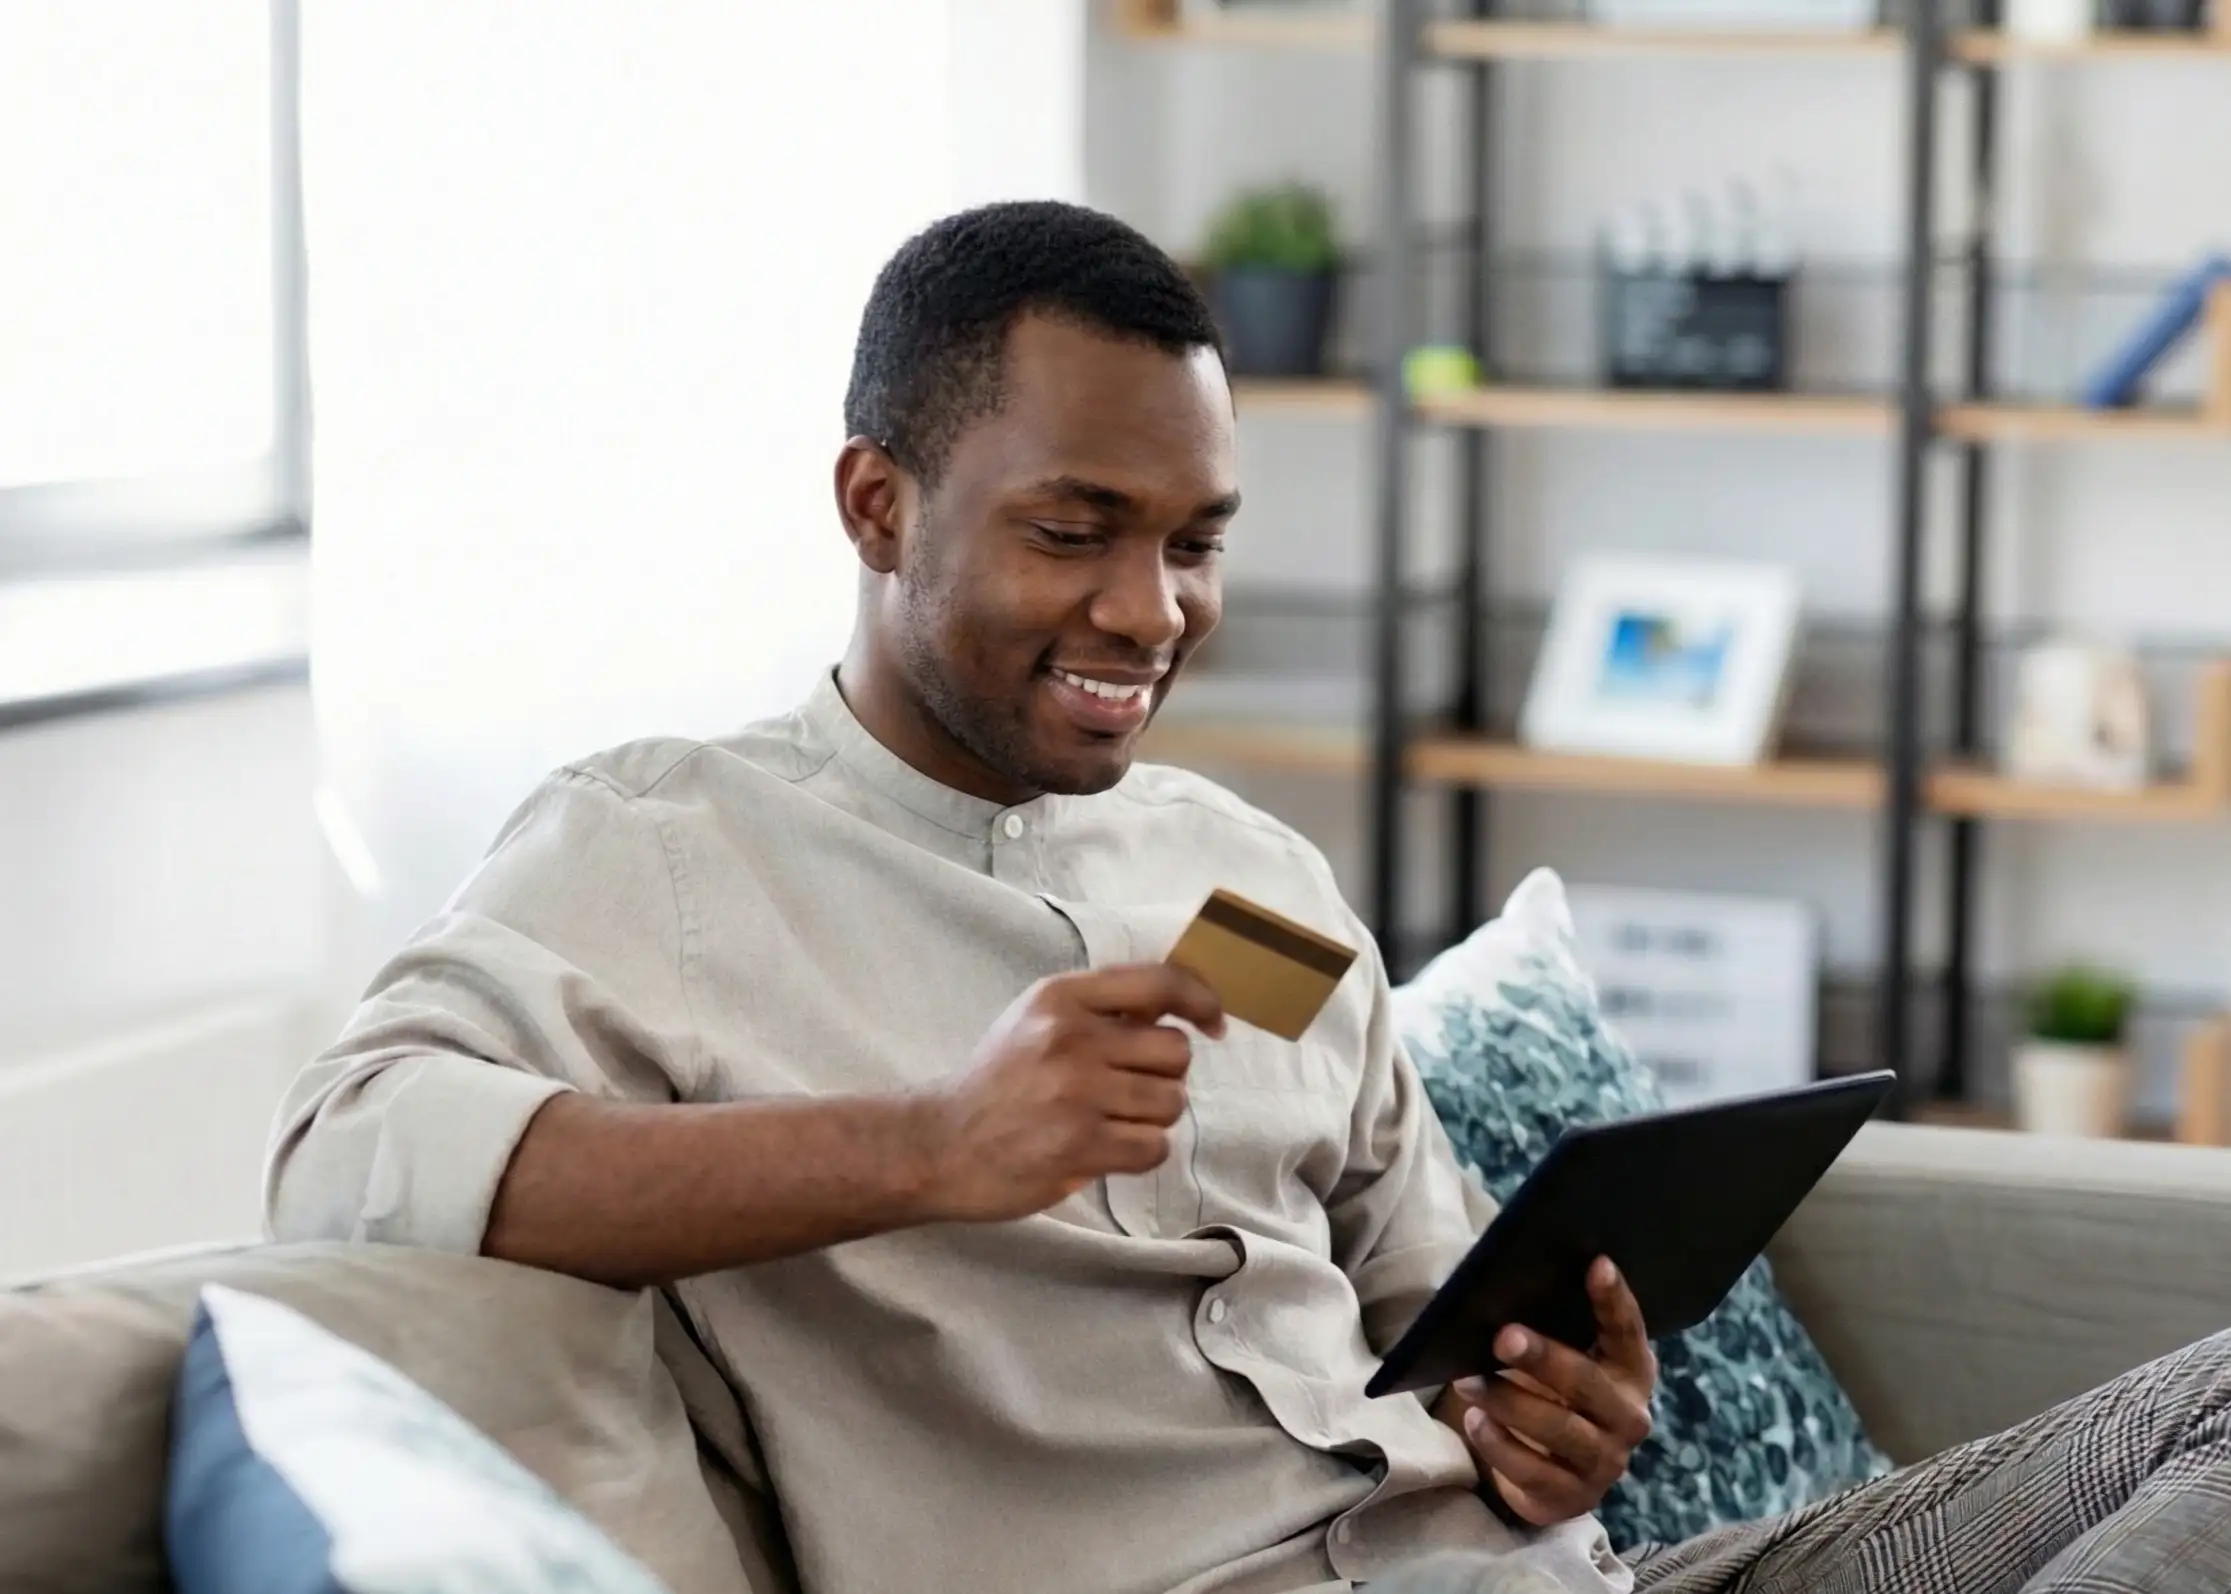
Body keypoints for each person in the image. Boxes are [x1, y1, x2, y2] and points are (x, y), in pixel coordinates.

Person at [269, 201, 2231, 1594]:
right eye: (1074, 530)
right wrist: (931, 1142)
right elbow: (355, 1155)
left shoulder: (1249, 873)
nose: (1150, 612)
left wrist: (1546, 1410)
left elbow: (1426, 1308)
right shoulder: (663, 847)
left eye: (1194, 541)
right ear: (877, 505)